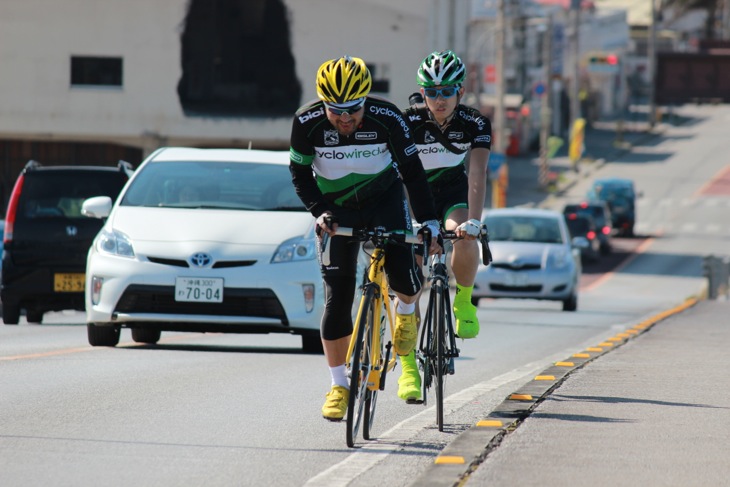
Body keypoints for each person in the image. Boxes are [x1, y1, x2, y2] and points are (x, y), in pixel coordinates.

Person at [289, 56, 441, 421]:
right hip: (336, 210)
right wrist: (318, 211)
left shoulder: (388, 118)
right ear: (323, 104)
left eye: (354, 110)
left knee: (405, 274)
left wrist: (430, 221)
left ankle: (405, 312)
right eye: (336, 111)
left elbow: (412, 172)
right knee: (337, 300)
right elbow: (299, 172)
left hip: (384, 202)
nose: (345, 119)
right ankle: (339, 385)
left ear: (366, 101)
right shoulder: (306, 123)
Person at [398, 50, 492, 402]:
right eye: (431, 92)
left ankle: (464, 302)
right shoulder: (406, 121)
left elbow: (478, 173)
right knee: (408, 280)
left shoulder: (476, 123)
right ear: (422, 93)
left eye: (446, 91)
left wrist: (474, 222)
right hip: (412, 196)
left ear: (460, 92)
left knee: (465, 238)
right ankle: (408, 369)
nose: (439, 99)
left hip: (452, 190)